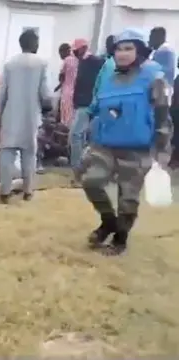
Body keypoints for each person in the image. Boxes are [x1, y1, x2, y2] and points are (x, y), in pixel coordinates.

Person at [82, 28, 171, 256]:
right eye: (119, 49)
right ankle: (108, 221)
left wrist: (162, 150)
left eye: (128, 48)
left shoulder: (154, 78)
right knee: (91, 181)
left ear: (139, 51)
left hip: (137, 148)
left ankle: (120, 238)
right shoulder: (109, 80)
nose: (122, 54)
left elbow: (162, 115)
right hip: (106, 145)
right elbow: (98, 110)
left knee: (127, 197)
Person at [0, 29, 51, 204]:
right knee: (29, 154)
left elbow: (2, 92)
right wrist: (47, 109)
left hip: (10, 115)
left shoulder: (10, 64)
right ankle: (28, 191)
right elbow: (45, 92)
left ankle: (5, 192)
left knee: (7, 154)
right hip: (30, 116)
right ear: (34, 44)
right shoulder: (41, 64)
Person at [69, 39, 105, 173]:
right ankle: (84, 166)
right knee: (82, 137)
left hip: (87, 104)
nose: (74, 52)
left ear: (83, 48)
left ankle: (78, 167)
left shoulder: (95, 62)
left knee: (76, 135)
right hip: (82, 103)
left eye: (76, 50)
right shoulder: (83, 62)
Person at [58, 42, 78, 127]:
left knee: (65, 117)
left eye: (60, 53)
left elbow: (62, 76)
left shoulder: (67, 60)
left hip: (66, 93)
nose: (60, 56)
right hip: (75, 92)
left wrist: (60, 80)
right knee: (72, 115)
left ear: (65, 51)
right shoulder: (77, 59)